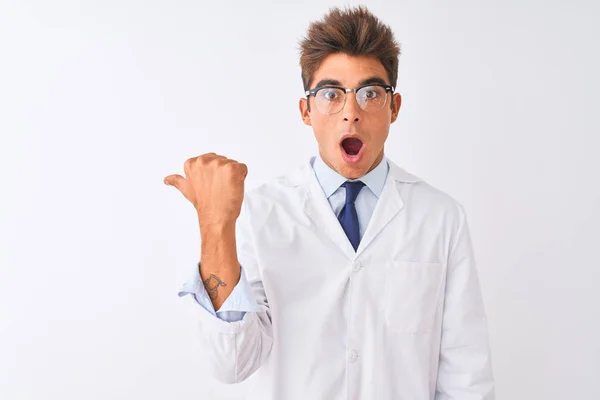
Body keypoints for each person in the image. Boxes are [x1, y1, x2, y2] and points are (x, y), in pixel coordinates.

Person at [164, 5, 495, 400]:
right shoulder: (260, 214)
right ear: (306, 110)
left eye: (371, 93)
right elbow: (232, 361)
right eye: (331, 94)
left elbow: (466, 379)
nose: (350, 114)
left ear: (394, 107)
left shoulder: (440, 218)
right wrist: (215, 224)